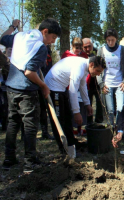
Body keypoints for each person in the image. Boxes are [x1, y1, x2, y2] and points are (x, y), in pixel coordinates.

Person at [1, 18, 61, 172]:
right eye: (53, 38)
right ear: (45, 32)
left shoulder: (20, 36)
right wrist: (43, 85)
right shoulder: (40, 47)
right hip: (26, 91)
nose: (53, 42)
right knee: (30, 126)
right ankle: (30, 162)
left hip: (10, 88)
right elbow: (29, 72)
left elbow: (2, 38)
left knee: (13, 123)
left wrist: (13, 27)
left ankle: (9, 159)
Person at [45, 56, 105, 158]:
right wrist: (77, 112)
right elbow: (73, 91)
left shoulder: (85, 68)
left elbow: (83, 86)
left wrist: (87, 104)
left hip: (61, 89)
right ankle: (64, 149)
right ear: (91, 65)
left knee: (68, 119)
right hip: (52, 88)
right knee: (59, 121)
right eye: (98, 70)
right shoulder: (79, 67)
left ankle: (72, 143)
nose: (98, 74)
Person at [97, 28, 124, 128]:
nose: (110, 42)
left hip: (119, 84)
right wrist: (101, 84)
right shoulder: (101, 50)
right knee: (110, 110)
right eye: (108, 40)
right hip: (107, 84)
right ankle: (111, 130)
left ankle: (120, 129)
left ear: (116, 39)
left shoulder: (122, 50)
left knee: (120, 108)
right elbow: (97, 70)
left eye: (112, 40)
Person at [61, 37, 89, 136]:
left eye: (80, 47)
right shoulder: (66, 55)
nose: (78, 49)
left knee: (80, 107)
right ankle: (70, 129)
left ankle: (80, 128)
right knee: (70, 107)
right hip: (69, 84)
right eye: (76, 47)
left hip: (81, 84)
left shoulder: (84, 56)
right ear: (72, 46)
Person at [83, 38, 103, 124]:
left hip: (97, 84)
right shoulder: (81, 56)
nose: (87, 49)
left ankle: (99, 120)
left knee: (100, 103)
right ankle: (89, 122)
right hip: (85, 85)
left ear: (92, 45)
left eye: (89, 46)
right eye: (85, 47)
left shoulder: (97, 53)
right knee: (88, 103)